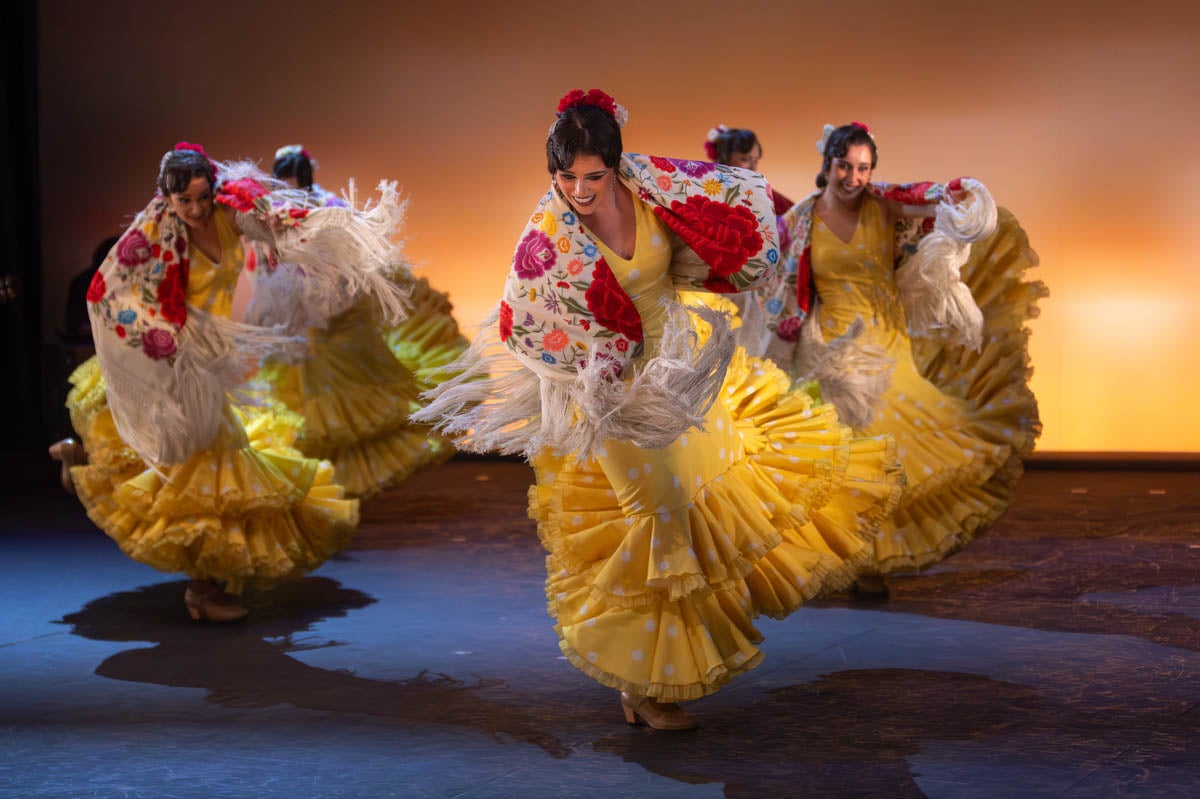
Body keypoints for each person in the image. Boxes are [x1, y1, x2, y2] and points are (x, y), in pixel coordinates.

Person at [417, 91, 901, 729]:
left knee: (711, 498)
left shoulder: (654, 191)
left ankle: (660, 668)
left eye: (593, 176)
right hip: (612, 397)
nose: (579, 190)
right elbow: (525, 323)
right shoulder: (547, 236)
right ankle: (645, 684)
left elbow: (725, 219)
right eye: (566, 177)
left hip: (677, 372)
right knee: (661, 520)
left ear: (615, 166)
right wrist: (593, 373)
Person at [49, 143, 407, 621]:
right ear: (166, 197)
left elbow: (280, 225)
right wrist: (157, 336)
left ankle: (81, 459)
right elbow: (104, 291)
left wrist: (331, 232)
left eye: (202, 197)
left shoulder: (231, 212)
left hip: (208, 356)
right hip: (169, 355)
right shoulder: (153, 231)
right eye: (184, 201)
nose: (196, 210)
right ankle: (204, 589)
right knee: (207, 461)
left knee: (178, 459)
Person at [757, 122, 1047, 593]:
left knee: (899, 444)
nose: (853, 178)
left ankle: (869, 557)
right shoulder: (801, 221)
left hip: (888, 343)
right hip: (831, 351)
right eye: (844, 166)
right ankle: (862, 563)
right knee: (854, 454)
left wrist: (962, 199)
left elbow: (936, 205)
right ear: (827, 164)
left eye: (863, 168)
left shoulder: (885, 207)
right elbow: (771, 274)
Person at [245, 145, 464, 498]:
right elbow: (264, 264)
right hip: (297, 314)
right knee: (308, 398)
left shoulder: (328, 206)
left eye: (292, 180)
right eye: (282, 181)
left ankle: (340, 482)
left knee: (358, 390)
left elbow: (354, 252)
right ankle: (323, 483)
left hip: (338, 309)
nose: (287, 187)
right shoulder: (269, 212)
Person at [704, 125, 793, 214]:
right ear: (724, 159)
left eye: (755, 160)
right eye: (745, 159)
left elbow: (793, 213)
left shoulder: (765, 193)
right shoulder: (707, 190)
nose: (753, 168)